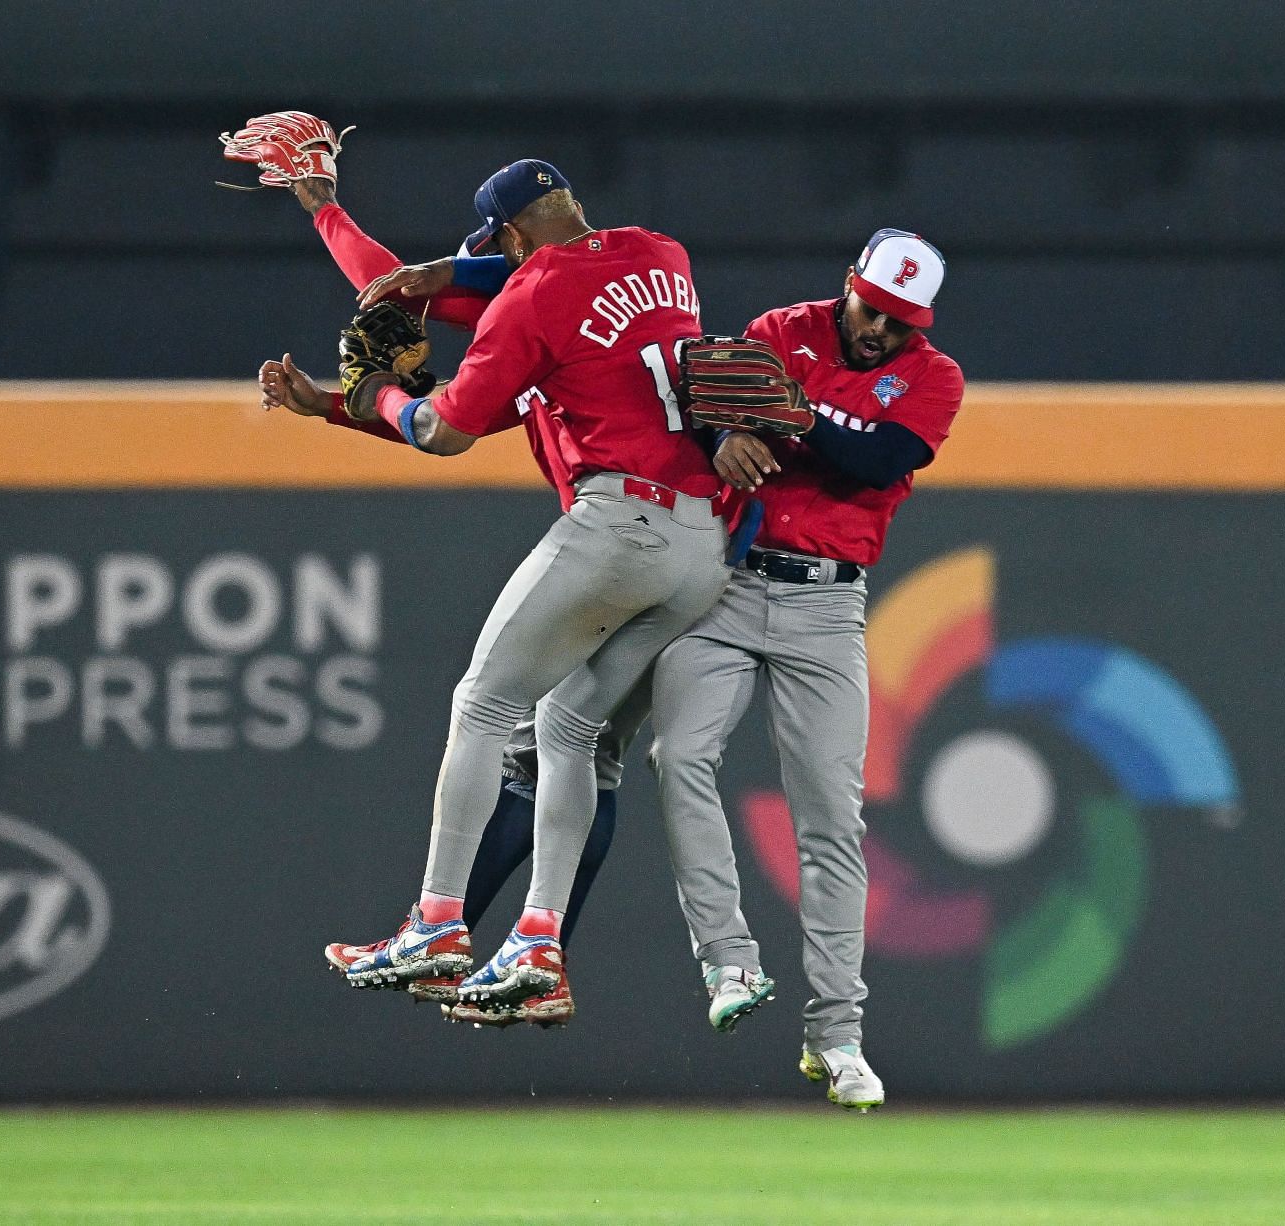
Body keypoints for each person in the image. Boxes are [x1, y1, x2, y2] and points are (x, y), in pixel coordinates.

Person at [359, 229, 965, 1112]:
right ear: (851, 285)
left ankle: (837, 1036)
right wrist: (726, 434)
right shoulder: (779, 327)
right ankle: (724, 962)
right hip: (728, 579)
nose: (881, 332)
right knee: (670, 758)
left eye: (900, 323)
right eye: (874, 310)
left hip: (829, 604)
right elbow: (696, 402)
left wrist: (787, 414)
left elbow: (878, 458)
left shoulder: (933, 376)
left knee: (832, 818)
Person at [250, 144, 733, 1018]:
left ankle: (437, 922)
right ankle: (538, 942)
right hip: (704, 547)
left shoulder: (531, 300)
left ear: (507, 236)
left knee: (482, 706)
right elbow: (409, 289)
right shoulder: (662, 255)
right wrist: (333, 380)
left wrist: (374, 400)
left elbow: (442, 430)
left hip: (621, 522)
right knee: (569, 729)